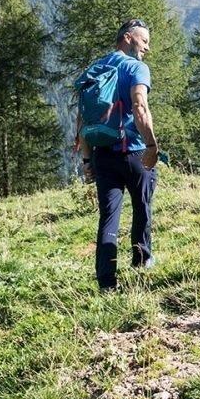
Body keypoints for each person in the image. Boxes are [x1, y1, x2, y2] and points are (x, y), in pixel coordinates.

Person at [78, 19, 158, 292]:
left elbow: (83, 122)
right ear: (127, 38)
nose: (147, 47)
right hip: (135, 153)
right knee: (142, 208)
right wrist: (152, 145)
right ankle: (141, 261)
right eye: (144, 40)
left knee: (108, 218)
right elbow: (139, 106)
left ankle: (106, 283)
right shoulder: (136, 68)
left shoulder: (94, 69)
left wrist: (87, 160)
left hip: (103, 155)